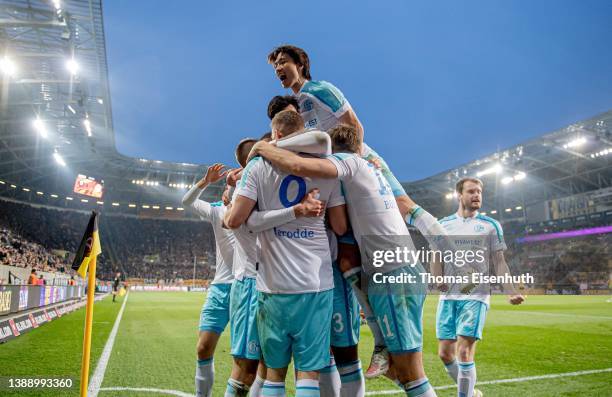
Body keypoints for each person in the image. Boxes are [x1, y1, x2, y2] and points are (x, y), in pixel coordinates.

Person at [267, 46, 452, 376]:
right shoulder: (299, 107)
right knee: (349, 256)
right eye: (275, 65)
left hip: (355, 160)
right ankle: (380, 341)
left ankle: (450, 252)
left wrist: (356, 162)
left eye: (284, 62)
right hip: (340, 169)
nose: (279, 68)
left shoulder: (319, 89)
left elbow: (355, 126)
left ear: (301, 64)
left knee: (403, 205)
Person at [249, 123, 438, 396]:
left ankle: (383, 344)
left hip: (393, 274)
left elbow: (303, 167)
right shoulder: (372, 164)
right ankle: (382, 342)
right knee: (400, 371)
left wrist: (265, 147)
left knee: (409, 372)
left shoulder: (348, 164)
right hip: (396, 268)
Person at [225, 111, 348, 397]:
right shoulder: (326, 167)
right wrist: (302, 213)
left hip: (273, 284)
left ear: (275, 135)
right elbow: (340, 226)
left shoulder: (256, 167)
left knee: (274, 375)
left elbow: (236, 220)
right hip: (315, 284)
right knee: (308, 374)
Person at [432, 177, 524, 397]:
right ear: (459, 195)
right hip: (449, 297)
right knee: (445, 354)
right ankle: (471, 392)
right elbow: (436, 256)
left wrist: (510, 291)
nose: (477, 196)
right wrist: (437, 278)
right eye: (471, 191)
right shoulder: (443, 225)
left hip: (476, 294)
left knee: (464, 352)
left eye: (479, 192)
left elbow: (499, 261)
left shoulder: (490, 226)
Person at [182, 165, 235, 397]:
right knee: (203, 348)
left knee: (247, 358)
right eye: (229, 182)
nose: (230, 185)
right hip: (220, 288)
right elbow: (187, 201)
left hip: (249, 287)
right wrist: (204, 182)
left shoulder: (257, 206)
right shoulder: (217, 210)